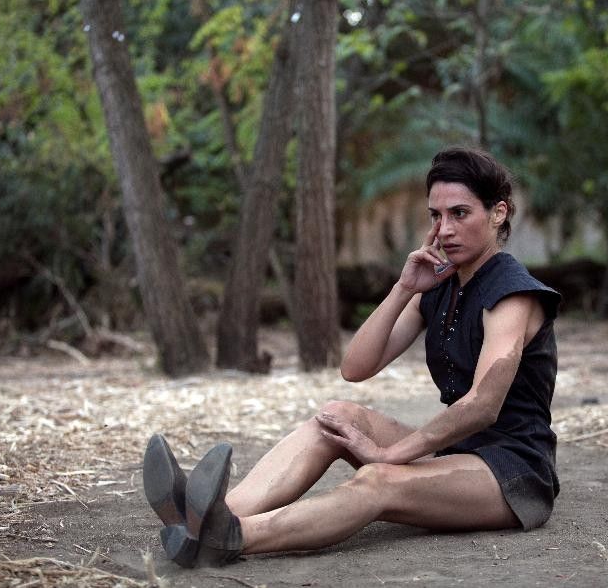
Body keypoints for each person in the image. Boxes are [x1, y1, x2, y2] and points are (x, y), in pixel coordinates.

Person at [142, 147, 562, 567]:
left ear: (498, 213)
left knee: (378, 479)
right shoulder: (439, 286)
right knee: (335, 418)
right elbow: (356, 367)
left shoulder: (512, 295)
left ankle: (230, 536)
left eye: (460, 213)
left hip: (510, 474)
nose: (444, 229)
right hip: (456, 452)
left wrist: (392, 454)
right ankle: (211, 515)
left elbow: (483, 405)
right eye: (436, 216)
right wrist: (405, 287)